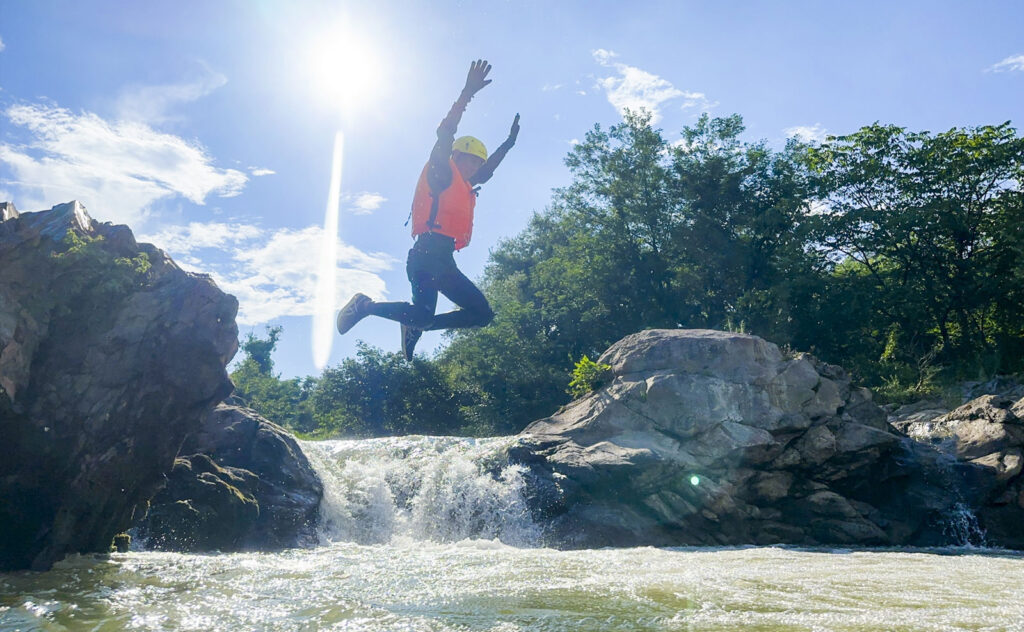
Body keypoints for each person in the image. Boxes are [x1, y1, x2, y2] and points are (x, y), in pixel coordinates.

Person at [336, 59, 519, 360]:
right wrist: (466, 94)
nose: (475, 167)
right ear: (457, 156)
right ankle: (364, 306)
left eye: (478, 163)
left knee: (482, 314)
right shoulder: (441, 171)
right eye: (471, 160)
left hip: (445, 262)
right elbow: (445, 133)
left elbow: (487, 172)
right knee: (420, 314)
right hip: (423, 258)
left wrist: (508, 144)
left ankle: (415, 326)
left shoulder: (466, 182)